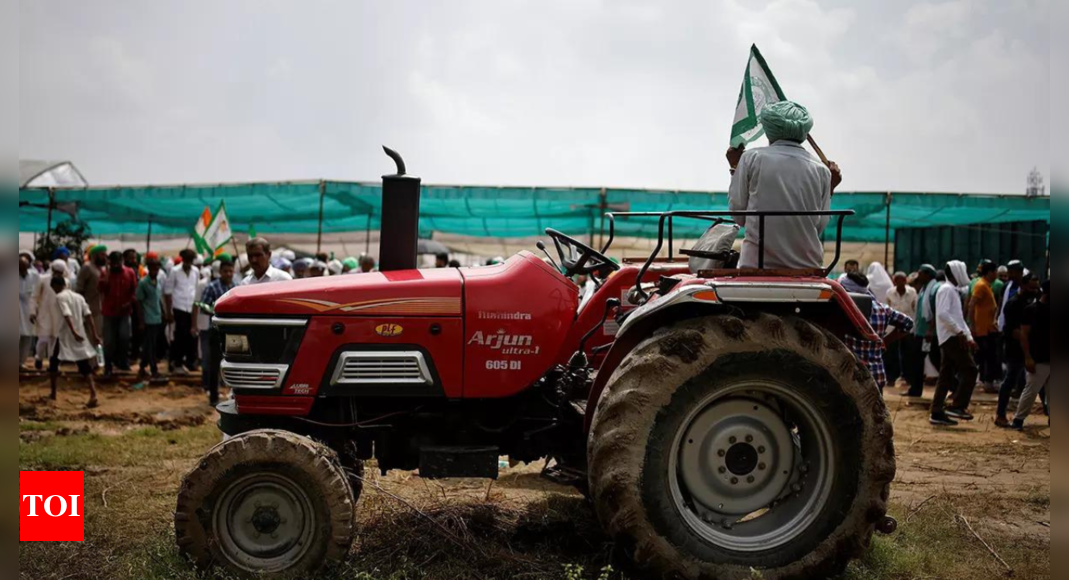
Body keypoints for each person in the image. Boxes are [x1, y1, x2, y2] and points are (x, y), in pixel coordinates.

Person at [726, 100, 842, 270]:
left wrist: (735, 167)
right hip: (809, 266)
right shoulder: (822, 170)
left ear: (769, 129)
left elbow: (738, 216)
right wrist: (830, 187)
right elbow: (819, 226)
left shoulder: (751, 158)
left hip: (757, 265)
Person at [841, 273, 915, 391]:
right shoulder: (882, 309)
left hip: (852, 376)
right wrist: (885, 341)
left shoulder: (843, 310)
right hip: (876, 375)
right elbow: (908, 323)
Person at [929, 261, 979, 427]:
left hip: (952, 335)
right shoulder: (946, 289)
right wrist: (960, 333)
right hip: (951, 337)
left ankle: (936, 412)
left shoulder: (952, 290)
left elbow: (958, 318)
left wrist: (969, 336)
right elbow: (943, 314)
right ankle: (957, 405)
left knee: (946, 376)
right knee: (971, 369)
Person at [49, 276, 101, 408]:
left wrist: (73, 332)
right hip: (80, 334)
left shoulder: (60, 297)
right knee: (84, 365)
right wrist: (94, 334)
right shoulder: (79, 297)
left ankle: (53, 393)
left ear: (56, 286)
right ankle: (93, 394)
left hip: (66, 335)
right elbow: (88, 315)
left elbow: (67, 314)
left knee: (54, 362)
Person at [995, 274, 1040, 427]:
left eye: (1036, 287)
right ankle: (1000, 414)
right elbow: (1013, 330)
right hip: (1015, 348)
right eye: (1031, 287)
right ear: (1023, 286)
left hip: (1030, 347)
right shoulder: (1014, 304)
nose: (1035, 290)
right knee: (1010, 379)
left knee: (1035, 381)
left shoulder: (1033, 301)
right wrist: (1026, 340)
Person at [194, 257, 236, 406]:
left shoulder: (236, 288)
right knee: (214, 365)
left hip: (232, 332)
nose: (228, 274)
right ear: (220, 272)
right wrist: (215, 310)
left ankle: (233, 395)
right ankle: (213, 396)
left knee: (233, 364)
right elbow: (203, 306)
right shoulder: (211, 287)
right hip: (216, 331)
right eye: (225, 271)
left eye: (231, 271)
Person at [1013, 280, 1049, 430]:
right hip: (1038, 358)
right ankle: (1018, 420)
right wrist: (1028, 357)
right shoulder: (1031, 310)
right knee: (1031, 391)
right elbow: (1024, 335)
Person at [98, 251, 138, 379]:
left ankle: (123, 362)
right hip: (109, 312)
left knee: (124, 337)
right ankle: (108, 366)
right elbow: (99, 289)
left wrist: (129, 302)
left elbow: (134, 290)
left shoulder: (130, 272)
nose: (116, 265)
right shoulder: (105, 273)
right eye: (113, 263)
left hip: (124, 311)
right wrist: (105, 279)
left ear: (122, 261)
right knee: (108, 341)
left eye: (118, 263)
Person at [163, 249, 200, 375]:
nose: (188, 263)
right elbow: (168, 292)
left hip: (191, 307)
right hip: (179, 307)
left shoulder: (196, 271)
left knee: (192, 336)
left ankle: (191, 362)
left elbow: (196, 289)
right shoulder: (174, 271)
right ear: (183, 259)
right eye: (187, 260)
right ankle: (177, 362)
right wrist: (169, 312)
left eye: (190, 260)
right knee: (180, 336)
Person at [906, 265, 940, 397]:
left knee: (936, 360)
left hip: (929, 334)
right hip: (921, 332)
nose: (918, 276)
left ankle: (955, 387)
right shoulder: (925, 289)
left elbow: (936, 311)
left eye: (920, 273)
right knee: (917, 361)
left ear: (927, 275)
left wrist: (930, 330)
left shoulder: (934, 290)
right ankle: (915, 390)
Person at [969, 261, 1000, 392]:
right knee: (985, 357)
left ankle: (986, 381)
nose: (997, 274)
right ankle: (985, 382)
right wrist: (973, 326)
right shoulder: (980, 286)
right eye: (995, 272)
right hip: (982, 330)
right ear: (990, 272)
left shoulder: (987, 285)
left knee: (989, 356)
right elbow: (971, 305)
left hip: (988, 328)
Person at [885, 271, 918, 389]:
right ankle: (891, 378)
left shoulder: (912, 292)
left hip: (907, 328)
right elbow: (888, 310)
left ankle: (908, 378)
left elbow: (915, 310)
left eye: (902, 280)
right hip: (893, 328)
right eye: (897, 280)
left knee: (908, 354)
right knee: (891, 354)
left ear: (905, 281)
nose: (900, 283)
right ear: (894, 282)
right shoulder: (890, 292)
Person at [136, 257, 165, 380]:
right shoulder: (143, 283)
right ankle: (153, 370)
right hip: (148, 319)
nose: (156, 271)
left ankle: (142, 367)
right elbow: (138, 302)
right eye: (153, 269)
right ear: (149, 269)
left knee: (150, 345)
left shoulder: (158, 282)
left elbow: (159, 299)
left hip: (157, 317)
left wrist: (164, 313)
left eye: (157, 269)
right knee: (150, 346)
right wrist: (141, 321)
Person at [75, 245, 108, 336]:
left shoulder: (102, 269)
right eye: (102, 255)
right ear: (94, 255)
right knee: (91, 335)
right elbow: (79, 288)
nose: (105, 257)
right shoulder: (87, 267)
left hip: (101, 308)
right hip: (90, 308)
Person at [19, 253, 40, 370]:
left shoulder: (34, 275)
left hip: (29, 309)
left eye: (24, 266)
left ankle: (21, 362)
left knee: (27, 337)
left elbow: (37, 292)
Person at [997, 261, 1025, 331]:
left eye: (1012, 272)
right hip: (1006, 326)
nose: (1009, 275)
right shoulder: (1006, 286)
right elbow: (1000, 306)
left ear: (1020, 272)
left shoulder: (1027, 287)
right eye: (1009, 272)